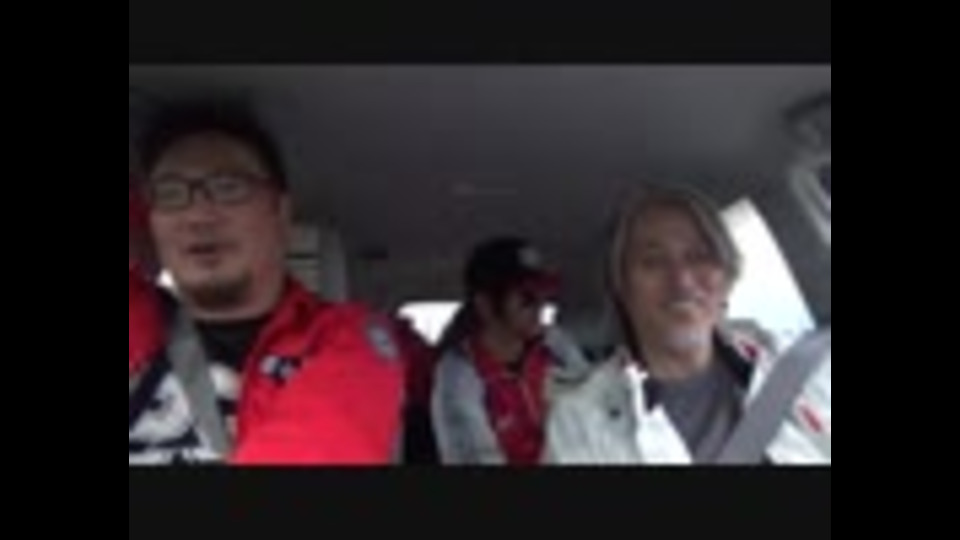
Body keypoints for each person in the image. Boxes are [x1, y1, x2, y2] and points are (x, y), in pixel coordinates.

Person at [128, 102, 405, 465]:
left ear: (280, 212)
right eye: (170, 193)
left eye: (228, 187)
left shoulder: (349, 341)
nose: (197, 214)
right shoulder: (139, 318)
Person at [544, 186, 831, 465]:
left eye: (700, 256)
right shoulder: (580, 420)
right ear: (623, 286)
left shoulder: (802, 365)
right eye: (653, 262)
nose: (681, 280)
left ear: (726, 276)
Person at [431, 237, 591, 465]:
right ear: (486, 305)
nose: (540, 306)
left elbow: (595, 413)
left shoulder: (556, 346)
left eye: (543, 295)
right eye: (527, 298)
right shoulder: (459, 374)